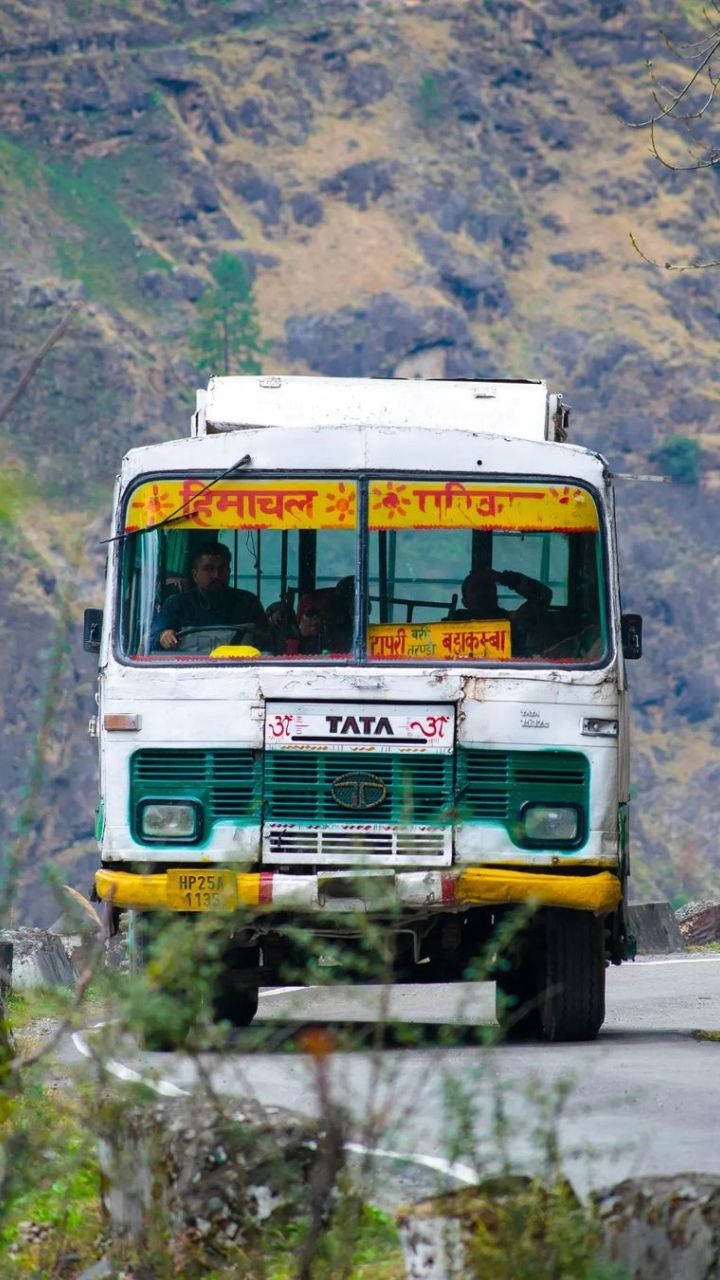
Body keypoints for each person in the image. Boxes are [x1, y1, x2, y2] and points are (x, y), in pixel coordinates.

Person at [151, 541, 267, 650]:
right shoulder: (176, 605)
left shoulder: (248, 604)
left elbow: (269, 644)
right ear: (195, 574)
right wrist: (163, 636)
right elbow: (151, 642)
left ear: (229, 571)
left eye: (222, 568)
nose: (216, 575)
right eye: (208, 569)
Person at [449, 567, 552, 655]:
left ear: (496, 596)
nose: (483, 593)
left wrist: (503, 578)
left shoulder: (513, 621)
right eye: (476, 588)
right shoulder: (450, 629)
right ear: (465, 602)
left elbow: (543, 596)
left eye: (487, 587)